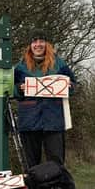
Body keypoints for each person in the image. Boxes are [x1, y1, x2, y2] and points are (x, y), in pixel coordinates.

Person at [13, 29, 76, 168]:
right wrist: (19, 89)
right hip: (29, 121)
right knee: (31, 165)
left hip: (53, 120)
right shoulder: (20, 67)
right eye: (34, 41)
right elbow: (9, 89)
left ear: (47, 44)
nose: (38, 44)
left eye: (41, 41)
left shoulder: (59, 64)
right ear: (30, 45)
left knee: (56, 164)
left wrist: (69, 87)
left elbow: (73, 84)